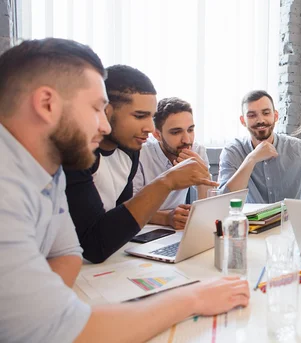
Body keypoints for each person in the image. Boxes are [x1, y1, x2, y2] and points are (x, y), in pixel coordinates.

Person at [0, 38, 249, 343]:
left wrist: (48, 308)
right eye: (96, 109)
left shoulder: (49, 170)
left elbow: (67, 252)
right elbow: (61, 328)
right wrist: (192, 298)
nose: (104, 126)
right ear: (47, 104)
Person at [65, 65, 218, 263]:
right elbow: (95, 247)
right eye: (139, 116)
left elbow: (120, 219)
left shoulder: (130, 151)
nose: (149, 128)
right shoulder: (77, 156)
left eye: (150, 117)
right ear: (106, 110)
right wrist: (167, 181)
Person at [218, 90, 301, 203]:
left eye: (266, 113)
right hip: (248, 221)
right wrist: (252, 159)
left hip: (290, 220)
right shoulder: (232, 151)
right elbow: (223, 200)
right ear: (243, 121)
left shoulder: (297, 148)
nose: (260, 120)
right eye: (252, 115)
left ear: (275, 116)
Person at [134, 97, 211, 230]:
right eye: (176, 132)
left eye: (190, 130)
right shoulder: (140, 154)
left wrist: (203, 179)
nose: (187, 140)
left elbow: (207, 209)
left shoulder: (197, 150)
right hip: (142, 229)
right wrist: (166, 218)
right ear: (157, 135)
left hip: (176, 229)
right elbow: (130, 210)